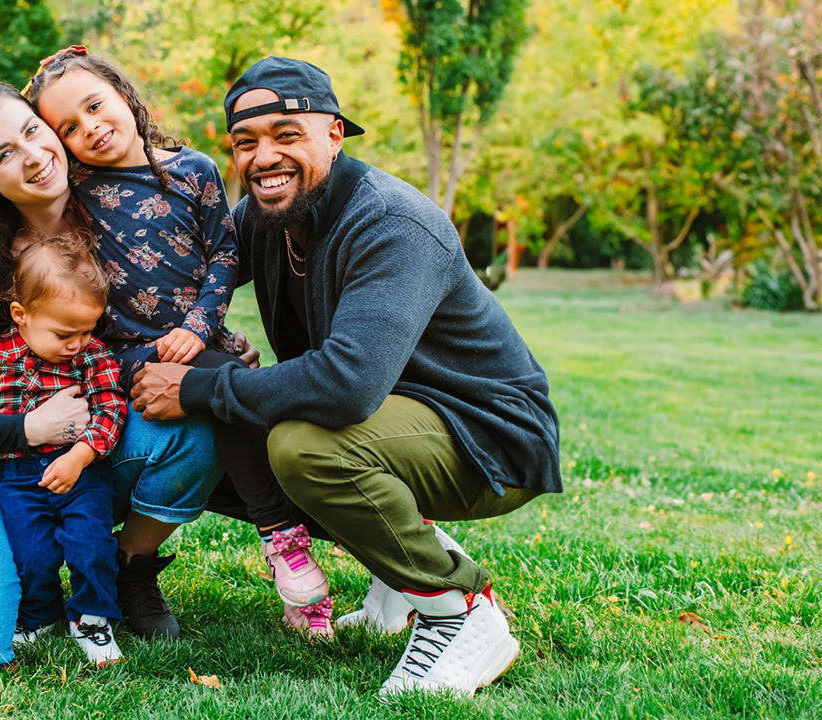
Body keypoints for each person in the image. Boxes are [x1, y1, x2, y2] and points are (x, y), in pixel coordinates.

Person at [131, 57, 562, 696]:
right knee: (225, 450)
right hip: (393, 421)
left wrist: (197, 387)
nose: (264, 157)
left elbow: (347, 384)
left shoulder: (389, 220)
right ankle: (398, 578)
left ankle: (459, 611)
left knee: (300, 449)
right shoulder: (266, 218)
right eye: (245, 144)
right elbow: (171, 285)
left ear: (334, 134)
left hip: (486, 435)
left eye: (287, 135)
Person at [0, 77, 253, 673]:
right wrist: (29, 429)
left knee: (194, 411)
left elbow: (211, 257)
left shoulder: (122, 220)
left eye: (33, 132)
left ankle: (125, 572)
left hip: (91, 450)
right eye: (2, 155)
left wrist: (214, 351)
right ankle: (18, 580)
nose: (34, 156)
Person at [25, 48, 333, 636]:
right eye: (69, 127)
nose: (89, 127)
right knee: (227, 387)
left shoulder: (194, 169)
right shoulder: (75, 191)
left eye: (95, 106)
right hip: (126, 356)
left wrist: (198, 327)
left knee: (235, 395)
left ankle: (294, 560)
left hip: (200, 339)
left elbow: (223, 252)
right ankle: (282, 539)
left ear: (124, 94)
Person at [0, 234, 127, 666]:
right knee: (31, 553)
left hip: (81, 474)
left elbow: (112, 410)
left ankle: (93, 618)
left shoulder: (92, 357)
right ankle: (39, 615)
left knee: (91, 546)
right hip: (20, 478)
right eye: (65, 332)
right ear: (21, 316)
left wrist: (80, 456)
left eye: (87, 329)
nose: (77, 342)